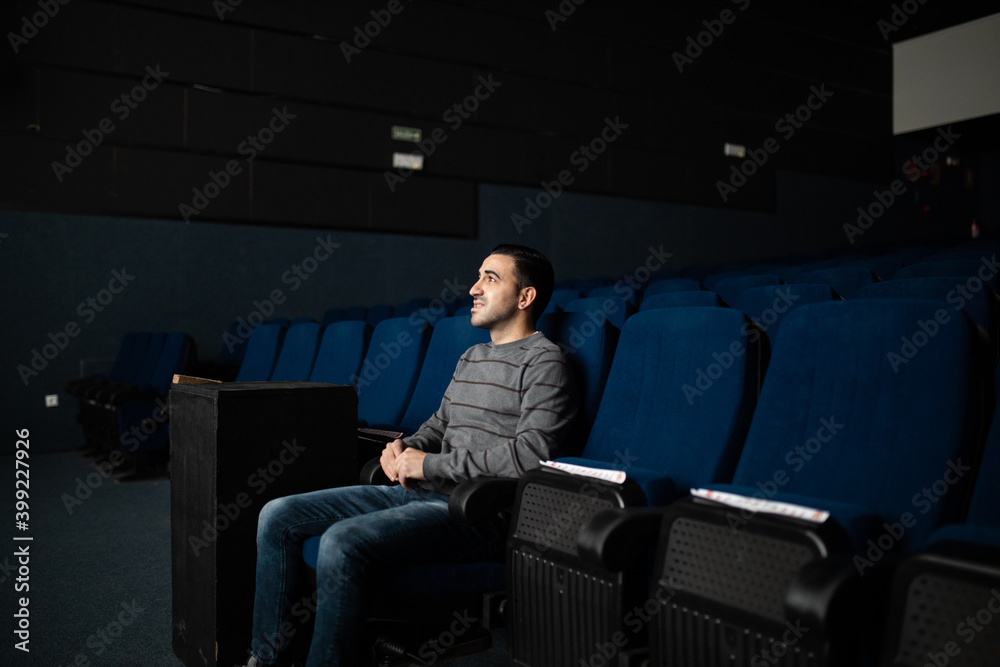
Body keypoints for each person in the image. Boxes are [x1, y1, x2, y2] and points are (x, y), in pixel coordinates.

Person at [244, 244, 578, 666]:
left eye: (490, 278)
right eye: (478, 276)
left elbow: (531, 455)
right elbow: (439, 425)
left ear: (525, 297)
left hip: (472, 513)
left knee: (340, 541)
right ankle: (266, 659)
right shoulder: (472, 356)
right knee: (277, 514)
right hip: (420, 492)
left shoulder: (546, 361)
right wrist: (404, 449)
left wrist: (429, 464)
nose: (473, 288)